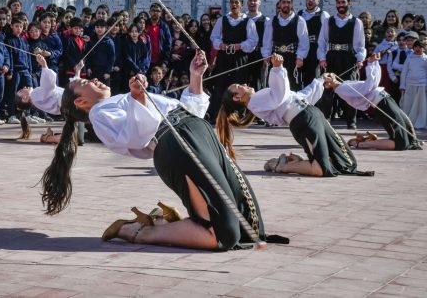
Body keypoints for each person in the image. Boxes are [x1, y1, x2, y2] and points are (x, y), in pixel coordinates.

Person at [41, 49, 270, 250]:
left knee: (247, 221)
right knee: (222, 234)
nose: (94, 79)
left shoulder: (119, 99)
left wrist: (195, 77)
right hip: (176, 145)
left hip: (196, 130)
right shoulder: (100, 114)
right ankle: (135, 230)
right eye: (85, 83)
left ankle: (162, 221)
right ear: (81, 102)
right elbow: (136, 136)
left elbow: (187, 109)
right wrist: (138, 97)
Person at [217, 53, 373, 177]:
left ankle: (296, 161)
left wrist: (320, 81)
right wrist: (277, 68)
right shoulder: (255, 102)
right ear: (237, 98)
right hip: (303, 121)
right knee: (320, 169)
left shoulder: (260, 96)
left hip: (312, 114)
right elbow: (279, 96)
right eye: (239, 87)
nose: (244, 84)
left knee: (345, 161)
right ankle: (281, 166)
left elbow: (299, 96)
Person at [325, 53, 421, 150]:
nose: (330, 74)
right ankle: (361, 144)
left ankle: (368, 141)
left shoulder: (344, 84)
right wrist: (370, 65)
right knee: (401, 143)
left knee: (406, 126)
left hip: (385, 99)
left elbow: (374, 83)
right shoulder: (342, 89)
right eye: (327, 77)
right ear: (327, 85)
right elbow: (368, 87)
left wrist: (374, 63)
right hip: (382, 103)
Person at [318, 0, 366, 129]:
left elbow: (360, 44)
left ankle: (351, 121)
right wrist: (322, 57)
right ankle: (326, 119)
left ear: (349, 3)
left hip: (348, 57)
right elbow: (322, 41)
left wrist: (359, 59)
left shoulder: (356, 22)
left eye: (343, 2)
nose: (341, 5)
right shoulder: (328, 21)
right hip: (332, 57)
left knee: (350, 88)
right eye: (338, 2)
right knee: (327, 89)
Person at [208, 0, 258, 120]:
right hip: (224, 57)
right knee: (221, 84)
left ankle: (238, 114)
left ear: (242, 5)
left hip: (239, 58)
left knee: (239, 86)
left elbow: (253, 40)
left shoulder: (248, 21)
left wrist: (240, 46)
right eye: (232, 3)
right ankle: (219, 114)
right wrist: (220, 45)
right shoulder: (222, 20)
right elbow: (214, 37)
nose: (234, 5)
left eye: (237, 3)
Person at [261, 0, 309, 91]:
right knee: (275, 86)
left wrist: (300, 57)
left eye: (288, 2)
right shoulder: (272, 21)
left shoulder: (299, 20)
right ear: (280, 4)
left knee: (292, 86)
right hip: (275, 58)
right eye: (283, 2)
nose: (286, 4)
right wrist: (266, 55)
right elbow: (267, 40)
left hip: (292, 59)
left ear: (292, 5)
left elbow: (304, 41)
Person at [297, 0, 329, 88]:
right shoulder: (299, 14)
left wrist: (324, 54)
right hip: (301, 50)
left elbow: (327, 36)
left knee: (312, 79)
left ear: (318, 1)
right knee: (298, 77)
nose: (310, 1)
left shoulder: (323, 15)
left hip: (315, 51)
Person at [399, 41, 427, 129]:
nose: (418, 49)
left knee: (421, 106)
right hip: (409, 85)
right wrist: (402, 86)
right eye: (416, 47)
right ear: (413, 48)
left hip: (422, 86)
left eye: (420, 47)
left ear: (424, 48)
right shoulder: (409, 58)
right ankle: (407, 123)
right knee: (408, 104)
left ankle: (420, 123)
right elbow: (404, 72)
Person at [4, 17, 33, 124]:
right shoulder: (9, 40)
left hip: (25, 70)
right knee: (13, 93)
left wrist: (29, 70)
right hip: (15, 70)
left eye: (21, 26)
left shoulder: (24, 39)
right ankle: (11, 115)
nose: (19, 29)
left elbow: (28, 56)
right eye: (16, 26)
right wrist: (10, 71)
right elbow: (10, 56)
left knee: (29, 93)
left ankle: (27, 115)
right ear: (11, 26)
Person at [245, 0, 269, 93]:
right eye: (250, 0)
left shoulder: (266, 21)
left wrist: (265, 58)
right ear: (247, 2)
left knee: (257, 83)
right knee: (243, 83)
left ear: (259, 2)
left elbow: (267, 40)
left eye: (255, 0)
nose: (252, 2)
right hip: (243, 55)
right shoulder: (242, 19)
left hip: (258, 56)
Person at [145, 3, 172, 68]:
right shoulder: (145, 25)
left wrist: (165, 61)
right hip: (145, 60)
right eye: (153, 10)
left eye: (158, 11)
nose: (155, 13)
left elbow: (168, 45)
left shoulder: (164, 26)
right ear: (149, 12)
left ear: (161, 13)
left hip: (160, 60)